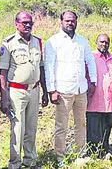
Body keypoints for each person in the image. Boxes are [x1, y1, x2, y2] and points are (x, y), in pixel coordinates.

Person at [44, 11, 97, 162]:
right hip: (63, 90)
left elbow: (90, 61)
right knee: (62, 126)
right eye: (67, 21)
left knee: (81, 123)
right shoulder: (53, 42)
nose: (70, 23)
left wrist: (93, 81)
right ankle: (60, 157)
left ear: (76, 22)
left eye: (72, 21)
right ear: (61, 22)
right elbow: (48, 67)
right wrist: (52, 90)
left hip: (81, 90)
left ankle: (81, 153)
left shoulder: (82, 41)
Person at [0, 11, 49, 169]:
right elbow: (3, 72)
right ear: (16, 24)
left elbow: (41, 68)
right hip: (16, 92)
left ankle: (30, 161)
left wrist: (45, 92)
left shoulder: (37, 42)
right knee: (17, 129)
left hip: (34, 90)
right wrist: (4, 97)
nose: (28, 25)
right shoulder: (8, 43)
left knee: (31, 128)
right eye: (24, 22)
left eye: (30, 23)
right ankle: (15, 163)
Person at [86, 34, 112, 159]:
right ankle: (94, 153)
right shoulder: (91, 57)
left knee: (107, 127)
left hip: (110, 101)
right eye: (102, 42)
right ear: (96, 42)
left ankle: (105, 149)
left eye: (107, 42)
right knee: (94, 128)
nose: (104, 44)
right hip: (95, 99)